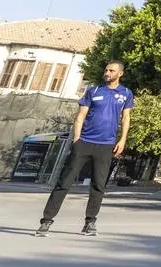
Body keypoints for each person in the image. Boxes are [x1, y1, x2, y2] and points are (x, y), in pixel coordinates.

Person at [37, 61, 134, 237]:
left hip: (106, 145)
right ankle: (46, 221)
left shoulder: (126, 93)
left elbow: (126, 117)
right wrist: (76, 140)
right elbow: (80, 116)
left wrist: (122, 140)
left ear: (120, 73)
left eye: (111, 70)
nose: (107, 73)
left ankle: (90, 223)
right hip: (85, 142)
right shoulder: (94, 91)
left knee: (98, 185)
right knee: (64, 182)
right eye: (106, 70)